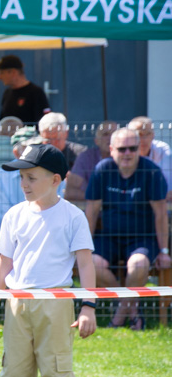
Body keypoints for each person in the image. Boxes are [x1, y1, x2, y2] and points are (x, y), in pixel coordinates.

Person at [0, 143, 96, 377]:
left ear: (56, 179)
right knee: (14, 373)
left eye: (31, 177)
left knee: (57, 371)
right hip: (17, 304)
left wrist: (88, 306)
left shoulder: (73, 217)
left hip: (56, 303)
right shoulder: (14, 215)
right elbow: (3, 264)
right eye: (22, 178)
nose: (24, 184)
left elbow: (85, 264)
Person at [84, 128, 170, 330]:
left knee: (138, 265)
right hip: (109, 236)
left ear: (139, 149)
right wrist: (84, 246)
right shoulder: (102, 170)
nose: (127, 153)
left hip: (142, 238)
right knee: (92, 263)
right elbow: (91, 211)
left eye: (132, 148)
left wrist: (164, 251)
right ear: (112, 149)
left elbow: (160, 214)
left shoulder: (151, 171)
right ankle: (130, 308)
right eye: (122, 149)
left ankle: (118, 317)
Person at [0, 133, 65, 229]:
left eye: (40, 145)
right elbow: (5, 221)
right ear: (16, 153)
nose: (35, 151)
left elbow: (57, 206)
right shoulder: (11, 216)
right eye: (27, 148)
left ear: (55, 180)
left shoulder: (73, 218)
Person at [64, 120, 117, 201]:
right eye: (105, 134)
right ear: (96, 141)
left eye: (114, 134)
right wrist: (102, 198)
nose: (110, 137)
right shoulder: (86, 157)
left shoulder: (130, 156)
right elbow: (70, 192)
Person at [0, 55, 50, 124]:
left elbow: (45, 121)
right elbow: (3, 120)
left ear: (13, 72)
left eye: (2, 73)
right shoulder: (7, 93)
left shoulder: (36, 92)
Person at [128, 116, 172, 194]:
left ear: (153, 135)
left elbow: (168, 182)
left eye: (148, 134)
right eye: (139, 134)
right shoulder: (122, 150)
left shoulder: (162, 150)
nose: (144, 139)